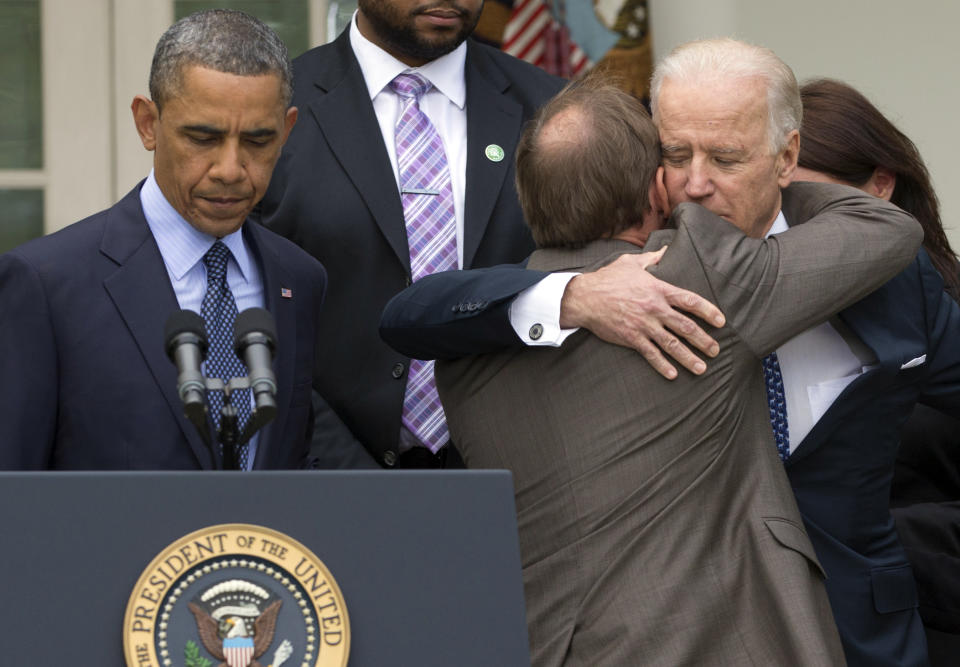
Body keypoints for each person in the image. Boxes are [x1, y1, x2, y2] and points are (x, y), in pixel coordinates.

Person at [381, 38, 960, 667]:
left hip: (857, 627)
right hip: (693, 634)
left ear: (787, 153)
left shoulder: (885, 276)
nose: (696, 184)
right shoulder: (649, 275)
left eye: (727, 157)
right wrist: (572, 297)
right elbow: (415, 313)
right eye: (676, 155)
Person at [253, 0, 721, 469]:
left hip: (530, 482)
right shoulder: (269, 115)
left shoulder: (561, 117)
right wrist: (345, 473)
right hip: (326, 484)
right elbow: (250, 313)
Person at [0, 10, 329, 470]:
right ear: (147, 124)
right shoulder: (45, 285)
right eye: (203, 138)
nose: (230, 169)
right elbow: (14, 494)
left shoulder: (300, 278)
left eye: (257, 141)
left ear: (287, 131)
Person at [793, 77, 960, 663]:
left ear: (880, 188)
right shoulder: (761, 316)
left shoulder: (944, 316)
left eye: (806, 203)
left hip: (929, 626)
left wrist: (868, 545)